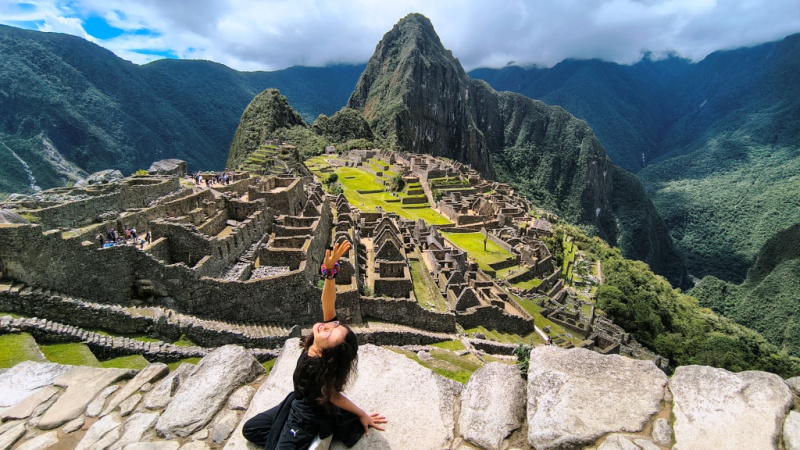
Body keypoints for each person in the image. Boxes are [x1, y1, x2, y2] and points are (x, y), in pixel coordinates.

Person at [242, 241, 386, 449]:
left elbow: (334, 396)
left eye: (330, 334)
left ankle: (318, 437)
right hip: (295, 401)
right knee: (251, 430)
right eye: (333, 326)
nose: (326, 327)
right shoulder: (322, 342)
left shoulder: (318, 366)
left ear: (329, 354)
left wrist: (362, 414)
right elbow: (328, 302)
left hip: (307, 417)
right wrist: (330, 274)